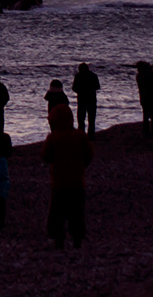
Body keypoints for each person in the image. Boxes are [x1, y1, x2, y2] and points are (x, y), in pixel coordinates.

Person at [41, 103, 94, 249]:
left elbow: (45, 156)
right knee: (77, 213)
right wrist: (82, 165)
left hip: (59, 182)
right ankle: (77, 239)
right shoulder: (80, 136)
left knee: (57, 213)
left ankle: (59, 240)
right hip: (77, 181)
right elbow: (89, 154)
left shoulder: (53, 138)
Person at [71, 63, 101, 139]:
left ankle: (81, 134)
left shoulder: (78, 76)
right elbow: (97, 86)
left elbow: (74, 88)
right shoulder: (93, 75)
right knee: (91, 118)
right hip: (91, 98)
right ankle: (91, 135)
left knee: (81, 118)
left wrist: (80, 91)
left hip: (81, 99)